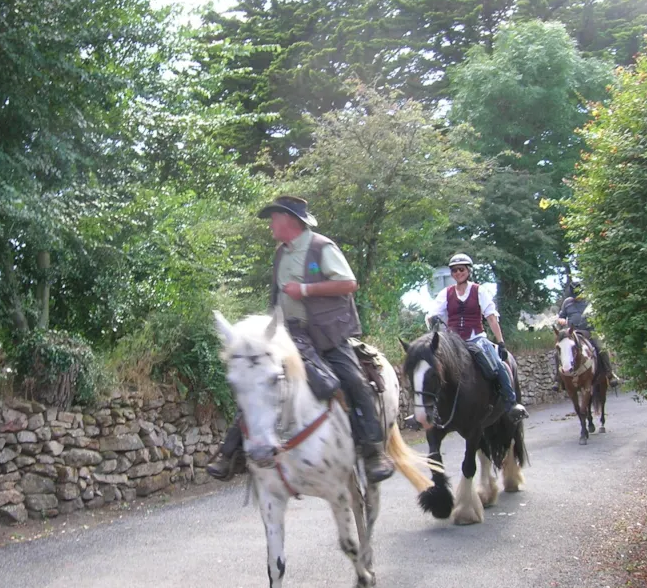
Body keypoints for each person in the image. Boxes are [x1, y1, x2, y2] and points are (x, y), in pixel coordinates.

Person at [207, 195, 396, 483]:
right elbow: (277, 296)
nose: (270, 224)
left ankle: (373, 452)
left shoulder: (322, 246)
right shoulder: (281, 252)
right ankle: (230, 453)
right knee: (256, 379)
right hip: (289, 335)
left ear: (290, 221)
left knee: (354, 380)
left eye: (274, 218)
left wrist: (306, 290)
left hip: (327, 335)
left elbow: (348, 283)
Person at [425, 252, 529, 423]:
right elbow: (434, 313)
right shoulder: (445, 293)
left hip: (476, 338)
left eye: (461, 269)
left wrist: (500, 341)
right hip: (453, 341)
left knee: (496, 365)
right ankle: (430, 409)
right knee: (432, 367)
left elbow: (491, 317)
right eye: (455, 270)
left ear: (468, 271)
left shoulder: (479, 291)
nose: (458, 273)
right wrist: (431, 319)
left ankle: (511, 404)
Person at [555, 282, 620, 387]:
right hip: (573, 332)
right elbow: (561, 316)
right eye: (574, 296)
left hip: (589, 331)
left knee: (601, 347)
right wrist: (561, 320)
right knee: (558, 351)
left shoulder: (589, 302)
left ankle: (609, 374)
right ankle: (558, 379)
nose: (576, 298)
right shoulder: (567, 302)